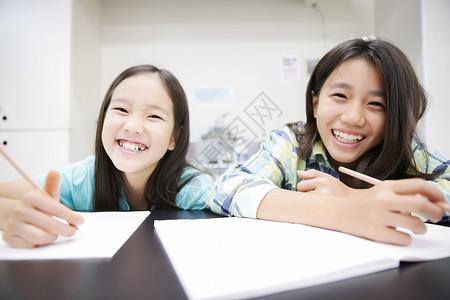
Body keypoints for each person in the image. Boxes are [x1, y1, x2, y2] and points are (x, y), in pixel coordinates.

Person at [206, 37, 450, 246]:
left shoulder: (405, 151)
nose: (353, 117)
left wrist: (352, 196)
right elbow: (228, 189)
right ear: (315, 103)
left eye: (376, 104)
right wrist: (341, 211)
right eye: (340, 96)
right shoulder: (292, 144)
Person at [0, 64, 214, 248]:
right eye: (121, 109)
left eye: (154, 115)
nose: (133, 126)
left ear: (173, 139)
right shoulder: (83, 179)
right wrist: (10, 214)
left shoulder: (192, 189)